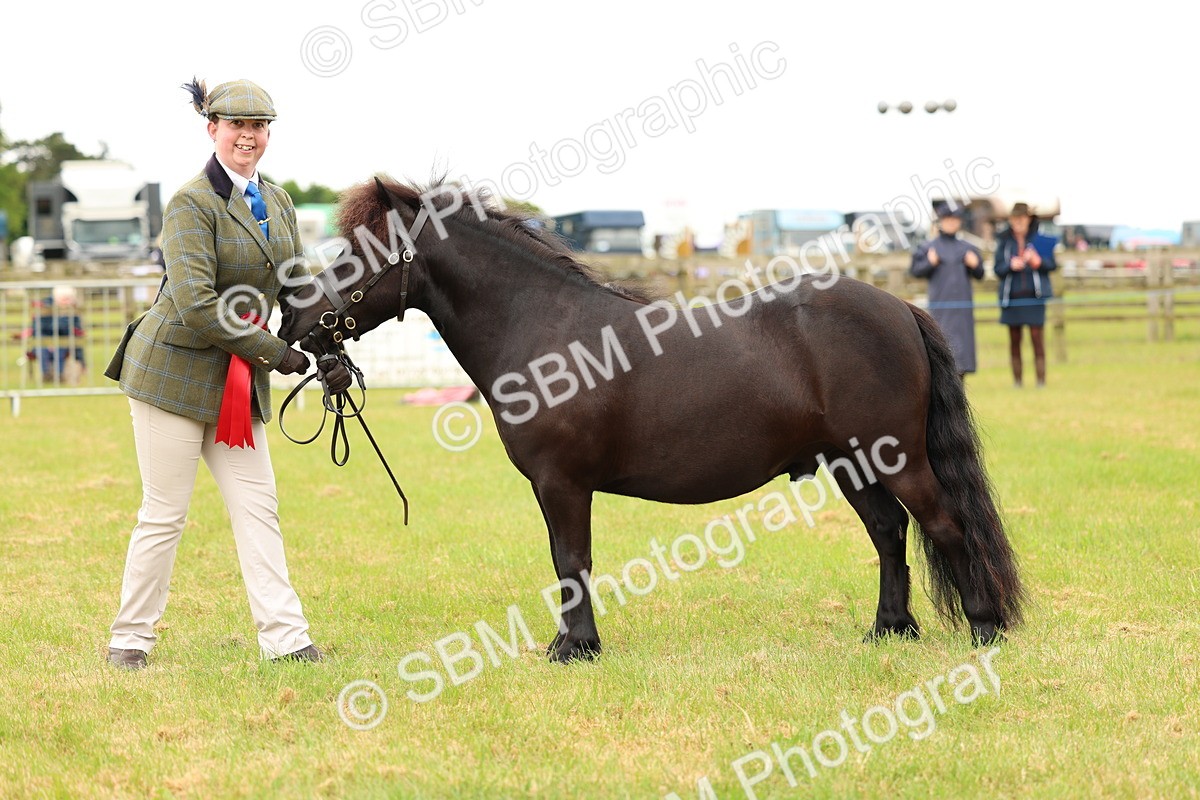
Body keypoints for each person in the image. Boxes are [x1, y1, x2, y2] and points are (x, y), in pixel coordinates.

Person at [103, 77, 349, 671]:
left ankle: (287, 640)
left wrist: (327, 345)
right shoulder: (191, 203)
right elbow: (194, 301)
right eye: (237, 124)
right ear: (211, 127)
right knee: (165, 513)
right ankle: (130, 641)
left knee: (258, 506)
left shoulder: (281, 201)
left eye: (259, 125)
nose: (249, 135)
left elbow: (295, 288)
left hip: (237, 378)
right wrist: (278, 354)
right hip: (173, 374)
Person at [910, 202, 985, 377]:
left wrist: (975, 265)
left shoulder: (967, 248)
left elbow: (980, 274)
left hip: (962, 310)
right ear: (941, 221)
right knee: (942, 346)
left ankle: (961, 385)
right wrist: (930, 262)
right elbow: (915, 270)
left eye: (955, 219)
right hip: (940, 309)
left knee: (962, 352)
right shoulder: (929, 247)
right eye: (948, 219)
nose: (951, 223)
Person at [993, 202, 1057, 387]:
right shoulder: (1004, 242)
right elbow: (997, 269)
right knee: (1014, 340)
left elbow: (1052, 264)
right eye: (1015, 219)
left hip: (1034, 297)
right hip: (1012, 298)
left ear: (1029, 219)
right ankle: (1018, 382)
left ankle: (1040, 381)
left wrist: (1038, 262)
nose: (1018, 222)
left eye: (1022, 218)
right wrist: (1010, 266)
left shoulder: (1039, 240)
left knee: (1037, 339)